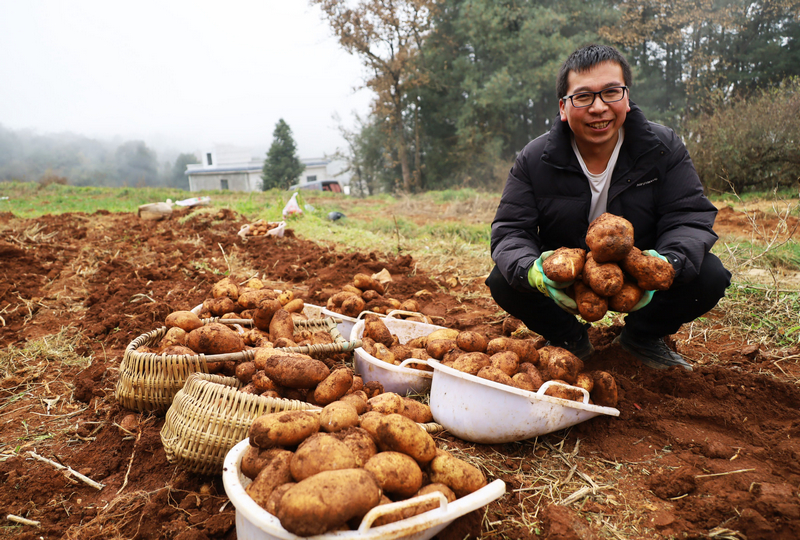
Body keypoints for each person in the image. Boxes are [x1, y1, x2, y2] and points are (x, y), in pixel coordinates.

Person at [486, 44, 731, 371]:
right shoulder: (535, 158)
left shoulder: (662, 148)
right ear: (563, 107)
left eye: (611, 93)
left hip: (639, 269)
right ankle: (569, 338)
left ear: (626, 98)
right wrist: (534, 269)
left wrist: (664, 263)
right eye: (583, 96)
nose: (599, 107)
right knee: (505, 278)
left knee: (709, 274)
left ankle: (642, 339)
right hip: (568, 273)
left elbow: (689, 218)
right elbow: (510, 230)